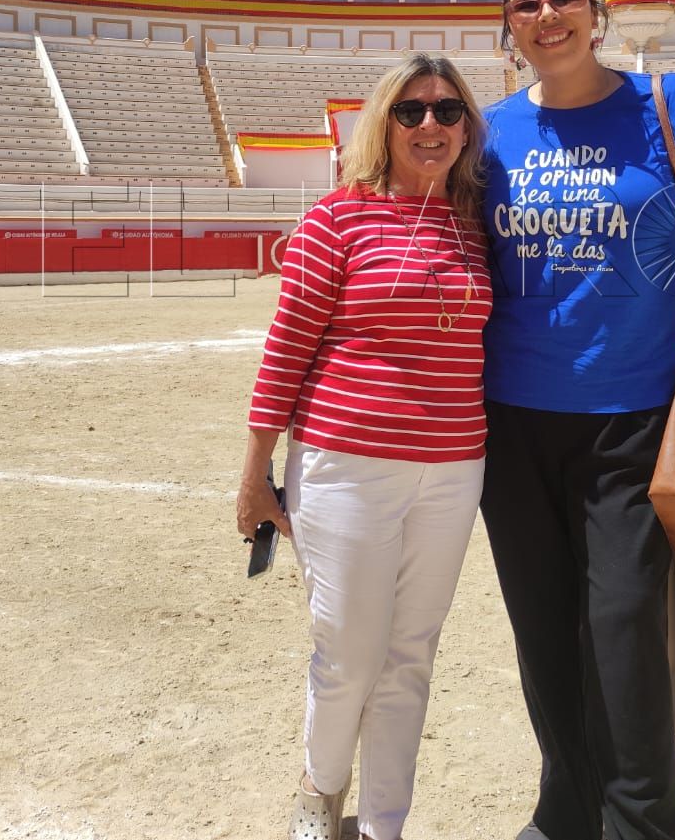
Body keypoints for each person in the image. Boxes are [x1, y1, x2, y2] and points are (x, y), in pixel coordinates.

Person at [478, 0, 675, 840]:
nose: (547, 14)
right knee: (543, 633)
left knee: (623, 633)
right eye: (528, 4)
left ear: (594, 9)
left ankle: (640, 823)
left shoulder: (671, 107)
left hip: (635, 420)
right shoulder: (488, 135)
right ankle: (566, 811)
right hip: (512, 426)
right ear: (508, 28)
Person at [237, 52, 492, 840]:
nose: (430, 125)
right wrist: (255, 473)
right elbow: (286, 348)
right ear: (382, 122)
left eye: (448, 111)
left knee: (410, 653)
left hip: (453, 471)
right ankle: (318, 797)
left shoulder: (478, 222)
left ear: (466, 128)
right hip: (345, 465)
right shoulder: (336, 216)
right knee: (348, 649)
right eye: (411, 110)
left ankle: (386, 825)